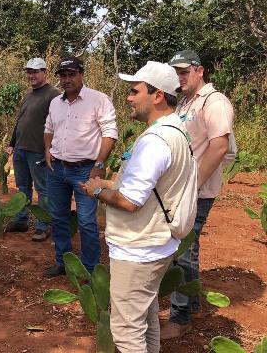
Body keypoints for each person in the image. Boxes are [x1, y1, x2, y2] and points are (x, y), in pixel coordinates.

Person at [81, 61, 190, 353]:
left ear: (157, 96)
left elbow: (130, 201)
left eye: (134, 91)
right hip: (157, 243)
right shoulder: (176, 130)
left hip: (139, 248)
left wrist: (97, 190)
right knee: (146, 318)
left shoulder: (155, 141)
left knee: (127, 331)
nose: (129, 97)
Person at [160, 50, 235, 339]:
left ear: (199, 70)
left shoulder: (214, 102)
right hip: (183, 188)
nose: (180, 77)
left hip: (198, 191)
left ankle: (180, 318)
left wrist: (193, 185)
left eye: (184, 71)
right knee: (187, 250)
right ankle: (191, 305)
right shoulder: (185, 102)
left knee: (181, 252)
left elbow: (219, 146)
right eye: (176, 73)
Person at [43, 56, 117, 277]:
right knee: (58, 217)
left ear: (81, 74)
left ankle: (90, 268)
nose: (67, 80)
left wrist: (99, 164)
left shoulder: (98, 100)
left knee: (86, 221)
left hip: (85, 170)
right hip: (57, 169)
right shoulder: (56, 102)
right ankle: (62, 261)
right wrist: (47, 150)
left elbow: (110, 133)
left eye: (71, 74)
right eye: (63, 76)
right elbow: (48, 128)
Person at [5, 58, 61, 242]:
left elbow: (58, 124)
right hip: (21, 148)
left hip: (38, 150)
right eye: (29, 72)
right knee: (22, 188)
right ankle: (21, 220)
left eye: (36, 71)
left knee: (43, 189)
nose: (32, 75)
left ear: (45, 71)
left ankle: (44, 225)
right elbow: (20, 121)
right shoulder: (28, 94)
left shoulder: (54, 94)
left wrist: (51, 148)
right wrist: (12, 143)